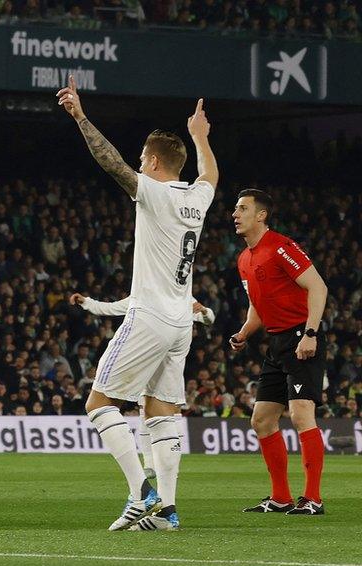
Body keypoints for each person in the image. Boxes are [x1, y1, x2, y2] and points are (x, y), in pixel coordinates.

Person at [58, 75, 218, 532]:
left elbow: (112, 164)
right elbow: (210, 174)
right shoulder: (197, 197)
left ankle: (140, 490)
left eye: (143, 159)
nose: (139, 164)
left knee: (98, 402)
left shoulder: (153, 190)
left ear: (151, 161)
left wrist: (81, 117)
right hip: (179, 322)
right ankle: (166, 511)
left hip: (148, 315)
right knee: (159, 412)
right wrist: (200, 137)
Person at [230, 188, 329, 516]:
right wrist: (244, 333)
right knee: (261, 420)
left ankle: (313, 498)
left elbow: (317, 286)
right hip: (276, 343)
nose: (235, 214)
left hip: (302, 336)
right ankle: (281, 497)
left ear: (261, 215)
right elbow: (257, 306)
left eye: (243, 208)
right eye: (235, 209)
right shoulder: (244, 259)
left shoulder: (281, 247)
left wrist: (311, 334)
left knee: (301, 413)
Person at [69, 292, 216, 479]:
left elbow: (209, 318)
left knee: (172, 410)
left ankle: (171, 463)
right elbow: (110, 308)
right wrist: (87, 302)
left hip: (170, 363)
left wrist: (203, 311)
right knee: (144, 410)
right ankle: (150, 465)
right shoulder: (143, 295)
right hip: (148, 360)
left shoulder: (180, 296)